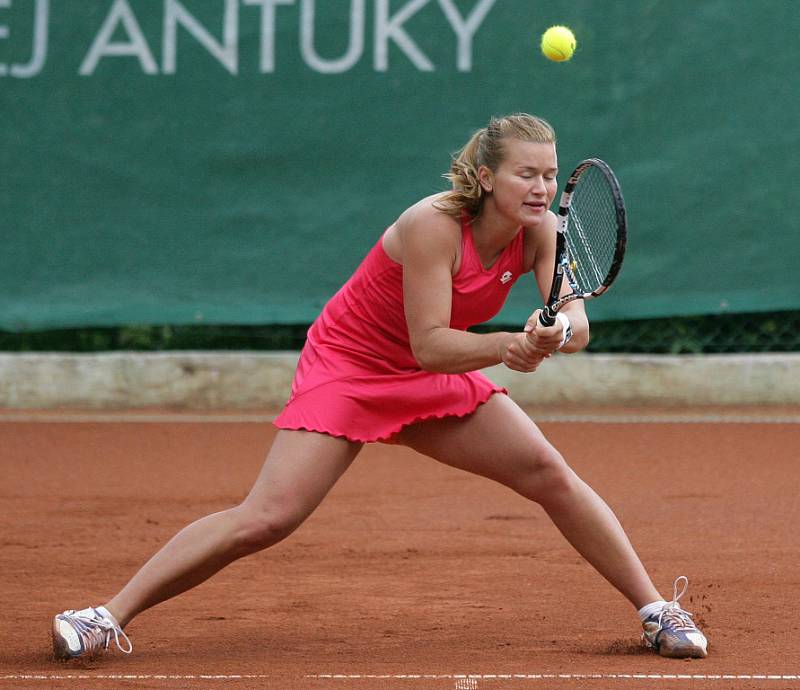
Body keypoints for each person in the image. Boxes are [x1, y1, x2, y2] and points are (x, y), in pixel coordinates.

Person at [52, 113, 707, 661]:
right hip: (353, 364)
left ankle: (655, 610)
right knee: (267, 518)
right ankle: (104, 617)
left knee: (548, 472)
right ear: (485, 177)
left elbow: (577, 323)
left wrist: (553, 334)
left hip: (431, 376)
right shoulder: (431, 225)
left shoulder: (546, 231)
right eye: (525, 173)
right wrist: (509, 346)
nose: (541, 187)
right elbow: (429, 342)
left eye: (548, 174)